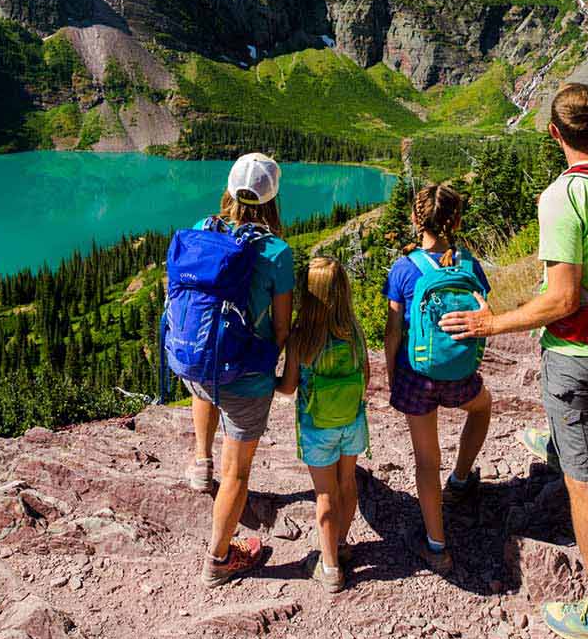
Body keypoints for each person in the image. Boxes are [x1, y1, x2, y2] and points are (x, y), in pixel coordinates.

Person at [440, 82, 588, 639]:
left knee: (585, 481)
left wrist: (490, 324)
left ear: (555, 134)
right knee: (569, 420)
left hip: (580, 354)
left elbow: (562, 300)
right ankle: (558, 444)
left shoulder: (562, 197)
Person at [180, 152, 294, 588]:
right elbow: (282, 327)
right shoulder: (276, 253)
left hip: (195, 364)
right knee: (240, 474)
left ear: (228, 190)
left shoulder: (200, 231)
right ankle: (218, 559)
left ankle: (200, 464)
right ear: (273, 198)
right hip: (244, 381)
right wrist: (268, 367)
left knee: (208, 380)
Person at [382, 182, 494, 574]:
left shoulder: (404, 267)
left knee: (427, 460)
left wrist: (392, 373)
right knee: (482, 408)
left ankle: (436, 544)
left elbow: (393, 330)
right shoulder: (469, 265)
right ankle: (462, 479)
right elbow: (483, 309)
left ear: (416, 219)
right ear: (456, 220)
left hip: (417, 375)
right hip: (460, 371)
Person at [278, 256, 368, 593]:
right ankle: (342, 544)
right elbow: (366, 377)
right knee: (347, 483)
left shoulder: (301, 338)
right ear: (343, 291)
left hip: (318, 428)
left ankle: (330, 568)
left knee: (325, 493)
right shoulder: (355, 332)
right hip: (352, 422)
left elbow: (288, 388)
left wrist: (268, 383)